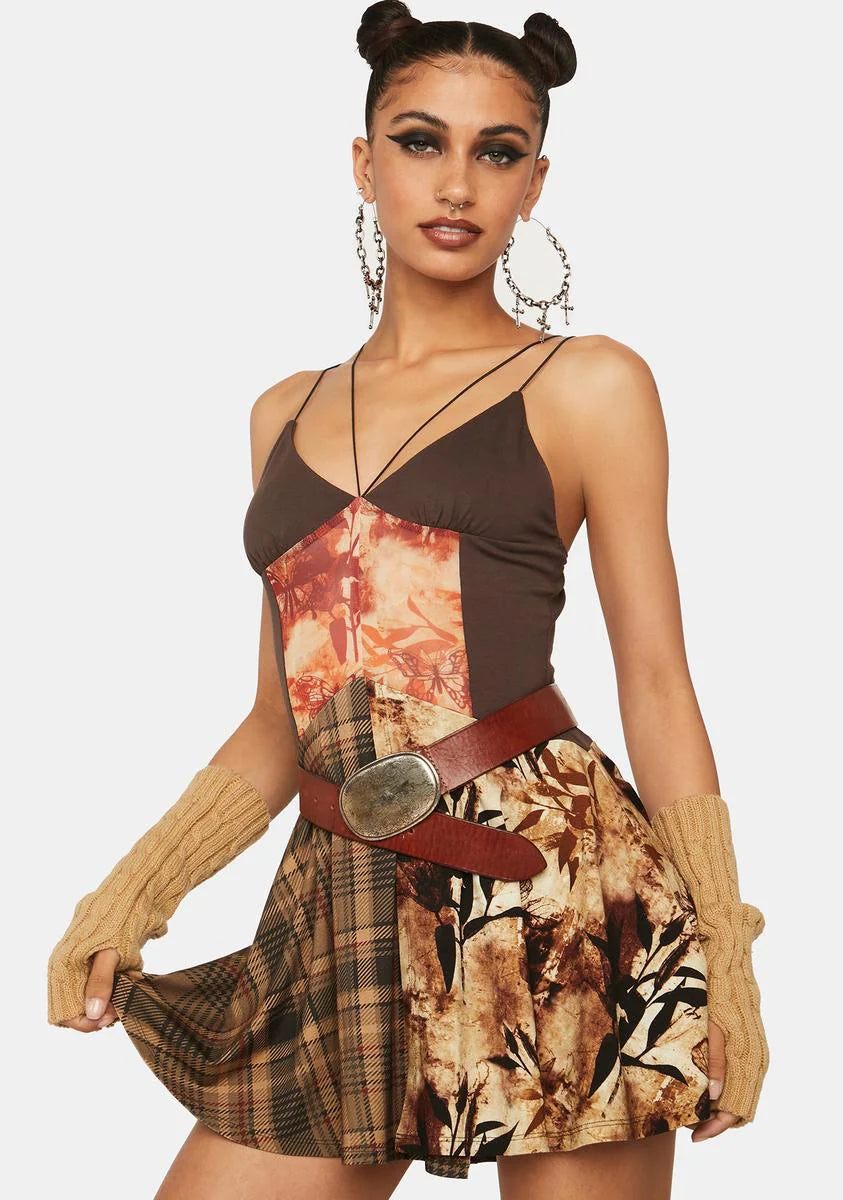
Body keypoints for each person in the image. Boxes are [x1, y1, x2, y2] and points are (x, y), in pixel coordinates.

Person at [46, 4, 769, 1197]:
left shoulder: (588, 384)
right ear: (363, 161)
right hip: (343, 893)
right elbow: (281, 718)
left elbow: (655, 680)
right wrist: (135, 890)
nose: (457, 183)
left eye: (498, 151)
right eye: (422, 141)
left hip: (553, 895)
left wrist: (724, 950)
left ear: (535, 182)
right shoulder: (283, 412)